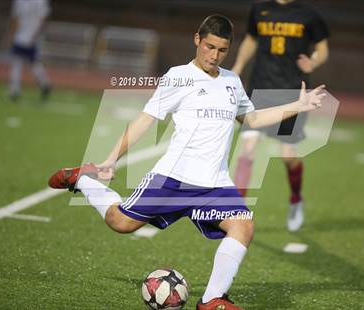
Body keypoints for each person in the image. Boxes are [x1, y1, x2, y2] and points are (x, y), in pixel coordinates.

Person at [48, 15, 325, 310]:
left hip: (214, 184)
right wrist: (111, 159)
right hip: (173, 178)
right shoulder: (177, 76)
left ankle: (211, 299)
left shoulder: (232, 81)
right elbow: (145, 120)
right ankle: (82, 180)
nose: (214, 56)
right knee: (120, 222)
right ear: (197, 40)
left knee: (243, 226)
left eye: (221, 50)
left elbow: (253, 119)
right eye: (209, 47)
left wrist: (298, 105)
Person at [232, 0, 330, 232]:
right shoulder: (259, 9)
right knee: (247, 152)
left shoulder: (308, 14)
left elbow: (323, 48)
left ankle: (296, 199)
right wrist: (237, 66)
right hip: (259, 89)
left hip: (293, 93)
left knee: (288, 156)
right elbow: (251, 39)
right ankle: (237, 212)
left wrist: (313, 61)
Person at [9, 0, 51, 101]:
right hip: (32, 37)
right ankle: (45, 84)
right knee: (33, 63)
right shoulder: (41, 2)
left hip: (21, 37)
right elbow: (44, 20)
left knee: (17, 64)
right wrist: (36, 35)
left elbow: (14, 19)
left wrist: (12, 35)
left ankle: (15, 90)